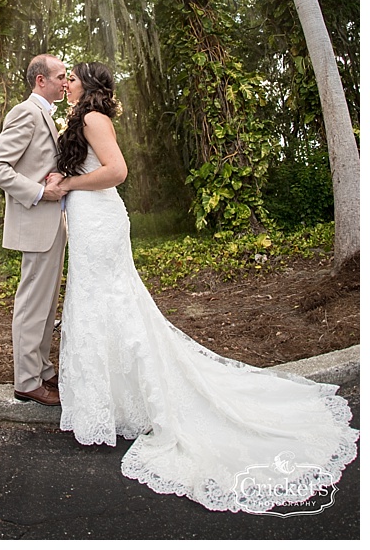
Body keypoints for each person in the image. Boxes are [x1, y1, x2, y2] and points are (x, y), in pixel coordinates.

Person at [53, 61, 358, 512]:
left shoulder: (95, 119)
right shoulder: (79, 118)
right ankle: (111, 404)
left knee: (110, 303)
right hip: (85, 218)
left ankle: (126, 401)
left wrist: (70, 184)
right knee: (96, 303)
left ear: (88, 84)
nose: (67, 82)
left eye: (72, 76)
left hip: (99, 219)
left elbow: (118, 172)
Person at [0, 54, 69, 406]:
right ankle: (26, 381)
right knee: (32, 304)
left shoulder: (47, 114)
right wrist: (39, 192)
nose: (66, 82)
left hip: (51, 224)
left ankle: (43, 369)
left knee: (46, 305)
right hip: (36, 221)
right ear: (40, 81)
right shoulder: (26, 113)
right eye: (61, 76)